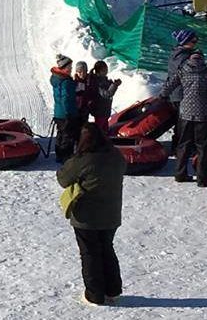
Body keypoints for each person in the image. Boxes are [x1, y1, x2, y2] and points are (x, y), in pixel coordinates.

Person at [56, 124, 126, 306]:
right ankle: (113, 291)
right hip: (111, 214)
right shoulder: (116, 156)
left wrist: (73, 157)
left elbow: (63, 179)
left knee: (90, 253)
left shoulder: (84, 160)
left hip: (86, 217)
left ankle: (94, 294)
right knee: (107, 249)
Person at [162, 33, 207, 186]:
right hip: (204, 116)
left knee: (184, 144)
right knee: (203, 147)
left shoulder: (183, 70)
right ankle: (202, 179)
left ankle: (180, 174)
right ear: (202, 59)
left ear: (190, 59)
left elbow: (170, 85)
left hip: (185, 114)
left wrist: (162, 95)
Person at [163, 28, 196, 156]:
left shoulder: (176, 54)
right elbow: (183, 76)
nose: (195, 43)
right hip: (182, 94)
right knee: (184, 123)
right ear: (185, 41)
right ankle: (180, 149)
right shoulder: (183, 57)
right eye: (193, 41)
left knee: (181, 122)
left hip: (177, 94)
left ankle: (179, 147)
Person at [51, 53, 82, 161]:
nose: (71, 69)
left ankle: (59, 155)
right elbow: (66, 98)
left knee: (61, 134)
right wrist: (69, 113)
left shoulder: (57, 79)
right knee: (67, 135)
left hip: (59, 113)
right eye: (70, 67)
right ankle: (66, 156)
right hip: (66, 113)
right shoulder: (65, 82)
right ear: (65, 67)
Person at [88, 60, 121, 126]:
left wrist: (112, 84)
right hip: (100, 111)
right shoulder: (97, 82)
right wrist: (115, 85)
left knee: (104, 129)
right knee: (100, 130)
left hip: (104, 111)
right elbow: (107, 94)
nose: (106, 71)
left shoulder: (103, 80)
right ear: (99, 71)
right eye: (105, 70)